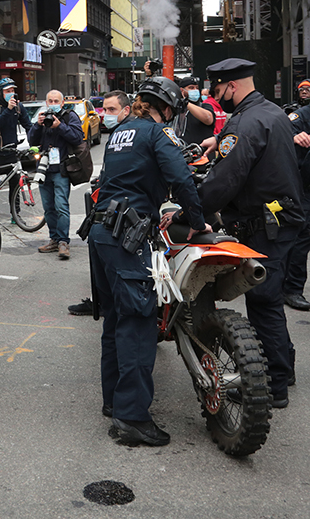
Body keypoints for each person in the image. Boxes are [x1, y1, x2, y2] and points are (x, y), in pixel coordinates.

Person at [93, 77, 210, 446]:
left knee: (115, 318)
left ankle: (114, 401)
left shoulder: (120, 133)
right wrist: (197, 220)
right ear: (166, 108)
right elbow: (182, 179)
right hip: (127, 236)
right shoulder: (158, 134)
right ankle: (131, 418)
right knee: (140, 323)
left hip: (100, 232)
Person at [190, 58, 304, 408]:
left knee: (263, 300)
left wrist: (191, 210)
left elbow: (227, 179)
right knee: (270, 297)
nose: (215, 96)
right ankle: (284, 368)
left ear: (232, 86)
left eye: (218, 90)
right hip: (282, 218)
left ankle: (274, 386)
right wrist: (220, 140)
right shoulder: (269, 111)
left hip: (265, 225)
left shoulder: (246, 121)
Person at [68, 90, 133, 316]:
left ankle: (109, 304)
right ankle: (102, 301)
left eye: (111, 110)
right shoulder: (115, 133)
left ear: (127, 110)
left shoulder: (133, 133)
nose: (106, 115)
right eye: (104, 110)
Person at [27, 89, 84, 259]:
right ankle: (54, 239)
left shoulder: (69, 116)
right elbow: (32, 140)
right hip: (44, 169)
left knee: (61, 206)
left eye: (55, 101)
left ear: (62, 102)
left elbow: (77, 138)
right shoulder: (43, 117)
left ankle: (63, 242)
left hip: (61, 169)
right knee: (48, 208)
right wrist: (38, 125)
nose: (53, 104)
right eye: (50, 101)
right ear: (46, 102)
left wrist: (60, 126)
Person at [0, 78, 32, 216]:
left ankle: (15, 213)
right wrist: (9, 109)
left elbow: (28, 125)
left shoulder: (19, 106)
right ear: (1, 93)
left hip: (12, 151)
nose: (11, 94)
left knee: (15, 184)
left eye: (12, 91)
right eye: (7, 91)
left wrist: (36, 140)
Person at [285, 103, 310, 311]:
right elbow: (282, 132)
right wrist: (293, 136)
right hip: (303, 189)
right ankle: (292, 289)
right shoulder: (301, 116)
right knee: (300, 241)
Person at [174, 76, 215, 145]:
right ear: (182, 90)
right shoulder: (177, 109)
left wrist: (186, 102)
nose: (195, 90)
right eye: (191, 88)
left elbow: (208, 119)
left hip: (203, 153)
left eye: (197, 88)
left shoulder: (204, 106)